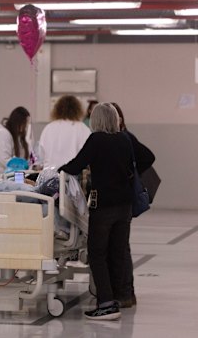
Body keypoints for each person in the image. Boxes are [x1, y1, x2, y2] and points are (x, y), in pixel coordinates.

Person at [58, 103, 150, 321]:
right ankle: (121, 296)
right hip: (124, 206)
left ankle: (106, 303)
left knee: (97, 253)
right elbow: (142, 160)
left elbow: (75, 165)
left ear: (97, 120)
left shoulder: (96, 140)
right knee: (119, 250)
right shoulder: (125, 140)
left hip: (104, 205)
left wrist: (53, 174)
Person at [111, 102, 155, 308]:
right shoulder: (118, 138)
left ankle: (125, 292)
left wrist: (132, 174)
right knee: (120, 245)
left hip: (123, 200)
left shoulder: (125, 138)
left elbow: (148, 157)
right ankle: (124, 291)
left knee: (121, 246)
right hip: (121, 199)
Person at [39, 95, 91, 169]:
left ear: (57, 109)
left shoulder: (48, 128)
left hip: (49, 175)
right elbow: (88, 156)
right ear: (78, 110)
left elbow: (41, 155)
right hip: (73, 175)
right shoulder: (83, 129)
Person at [0, 106, 31, 177]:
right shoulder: (3, 134)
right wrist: (21, 166)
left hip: (8, 176)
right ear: (18, 122)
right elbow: (5, 160)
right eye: (24, 124)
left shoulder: (17, 136)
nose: (25, 127)